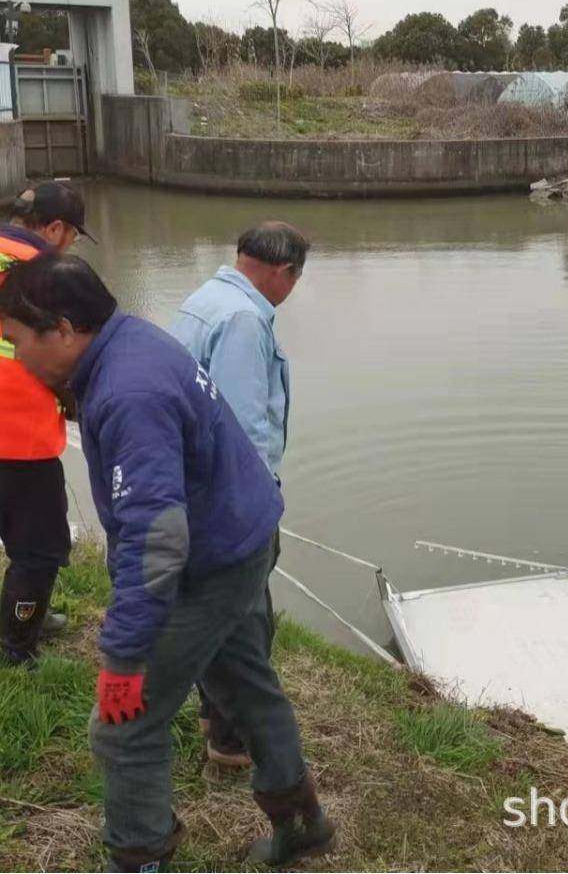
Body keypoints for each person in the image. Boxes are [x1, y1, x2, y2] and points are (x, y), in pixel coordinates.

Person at [0, 253, 334, 871]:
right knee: (242, 683)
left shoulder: (130, 393)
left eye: (18, 342)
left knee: (124, 724)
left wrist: (124, 660)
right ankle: (302, 822)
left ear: (65, 329)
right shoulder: (130, 339)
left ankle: (139, 856)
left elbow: (156, 542)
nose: (18, 360)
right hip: (240, 534)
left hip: (210, 560)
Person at [168, 220, 308, 767]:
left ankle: (213, 714)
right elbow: (242, 429)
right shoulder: (246, 321)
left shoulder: (207, 298)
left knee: (219, 611)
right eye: (296, 279)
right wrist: (256, 506)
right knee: (246, 621)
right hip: (230, 500)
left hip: (196, 489)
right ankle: (231, 742)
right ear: (283, 271)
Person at [0, 181, 93, 665]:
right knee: (38, 549)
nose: (71, 244)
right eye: (73, 234)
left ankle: (23, 614)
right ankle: (17, 645)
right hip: (18, 433)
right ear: (55, 228)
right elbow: (71, 352)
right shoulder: (52, 275)